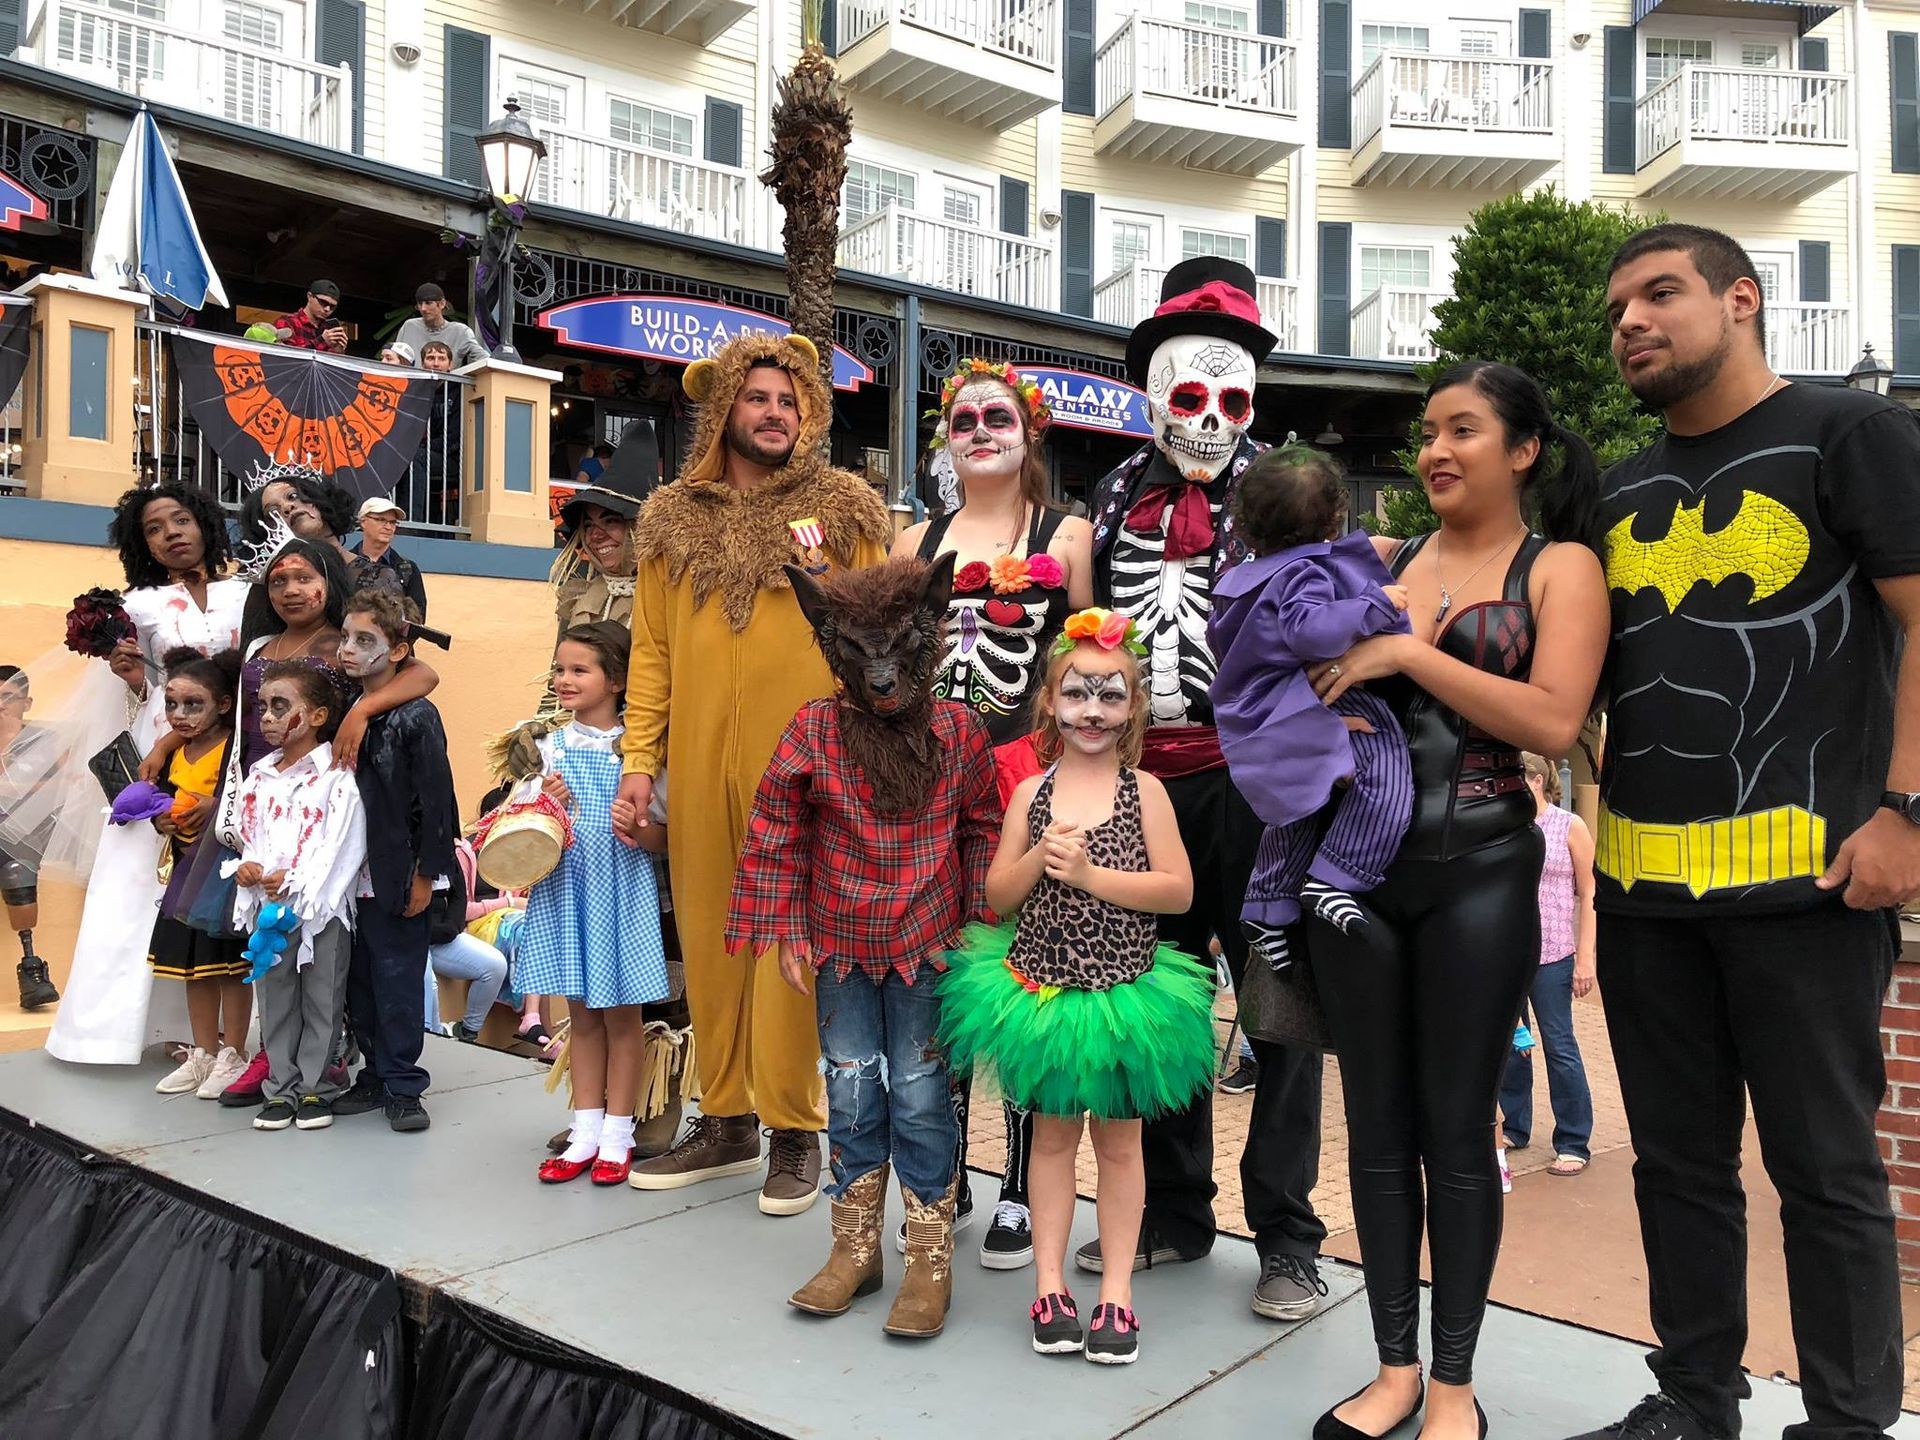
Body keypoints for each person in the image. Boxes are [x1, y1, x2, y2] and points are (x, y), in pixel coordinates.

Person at [1570, 223, 1917, 1440]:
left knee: (1825, 1176)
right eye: (1619, 308)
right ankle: (1695, 1401)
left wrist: (1906, 812)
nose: (1631, 323)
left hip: (1810, 883)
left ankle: (1848, 1423)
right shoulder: (1616, 487)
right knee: (1675, 1170)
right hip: (1646, 891)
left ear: (1743, 299)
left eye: (1660, 295)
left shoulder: (1847, 433)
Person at [1302, 360, 1608, 1440]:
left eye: (1462, 430)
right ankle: (1393, 1369)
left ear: (1522, 450)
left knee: (1454, 1131)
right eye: (1428, 432)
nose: (1434, 449)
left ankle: (1458, 1390)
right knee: (1377, 1132)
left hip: (1484, 870)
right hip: (1362, 879)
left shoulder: (1559, 567)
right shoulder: (1387, 560)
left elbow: (1553, 724)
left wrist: (1403, 654)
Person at [1085, 257, 1327, 1323]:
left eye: (1234, 398)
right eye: (1190, 396)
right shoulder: (1107, 499)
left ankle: (1287, 1237)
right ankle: (1176, 1214)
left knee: (1278, 1010)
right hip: (1143, 788)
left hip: (1258, 789)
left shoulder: (1289, 494)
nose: (1213, 419)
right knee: (1162, 1009)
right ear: (1151, 393)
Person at [615, 332, 891, 1215]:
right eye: (758, 398)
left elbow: (879, 630)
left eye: (790, 400)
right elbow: (652, 655)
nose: (776, 414)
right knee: (709, 934)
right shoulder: (667, 519)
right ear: (724, 406)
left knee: (791, 947)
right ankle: (727, 1120)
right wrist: (638, 765)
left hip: (811, 763)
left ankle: (795, 1131)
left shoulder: (844, 510)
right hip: (697, 768)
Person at [728, 555, 1000, 1338]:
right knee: (849, 1090)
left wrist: (977, 924)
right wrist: (782, 921)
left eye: (898, 651)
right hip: (840, 945)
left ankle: (926, 1257)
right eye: (861, 653)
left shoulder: (958, 731)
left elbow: (983, 828)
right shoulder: (814, 728)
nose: (881, 676)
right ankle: (854, 1248)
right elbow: (777, 827)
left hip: (929, 945)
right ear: (834, 647)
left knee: (920, 1095)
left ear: (930, 640)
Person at [943, 610, 1212, 1366]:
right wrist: (1040, 862)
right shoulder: (1032, 791)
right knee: (1052, 1142)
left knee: (1122, 1147)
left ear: (1131, 708)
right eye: (1077, 694)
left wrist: (1093, 875)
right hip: (1047, 995)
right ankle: (1051, 1283)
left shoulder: (1147, 792)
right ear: (1051, 702)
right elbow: (998, 895)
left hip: (1125, 998)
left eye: (1111, 695)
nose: (1092, 710)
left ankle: (1118, 1292)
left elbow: (1180, 892)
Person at [891, 358, 1094, 1269]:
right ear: (947, 435)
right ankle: (946, 1179)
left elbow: (1093, 662)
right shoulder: (911, 543)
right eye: (965, 417)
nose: (981, 429)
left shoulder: (1071, 535)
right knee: (948, 976)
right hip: (935, 784)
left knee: (1024, 978)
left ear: (1030, 430)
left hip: (1028, 779)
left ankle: (1019, 1184)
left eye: (997, 415)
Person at [47, 483, 249, 1067]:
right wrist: (134, 679)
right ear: (144, 546)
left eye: (180, 520)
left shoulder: (250, 594)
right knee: (140, 886)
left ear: (206, 523)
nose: (171, 534)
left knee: (225, 886)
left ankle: (228, 1039)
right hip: (164, 755)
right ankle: (113, 1031)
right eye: (154, 529)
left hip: (237, 757)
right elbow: (139, 698)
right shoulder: (139, 606)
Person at [1209, 444, 1414, 970]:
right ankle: (1337, 876)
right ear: (1332, 518)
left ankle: (1267, 905)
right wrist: (1373, 605)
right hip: (1297, 704)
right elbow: (1311, 631)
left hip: (1255, 711)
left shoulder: (1240, 578)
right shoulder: (1306, 574)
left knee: (1299, 805)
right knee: (1383, 761)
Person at [523, 622, 670, 1185]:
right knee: (580, 1018)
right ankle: (584, 1132)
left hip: (622, 894)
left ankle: (618, 1134)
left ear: (618, 679)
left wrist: (637, 828)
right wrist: (548, 806)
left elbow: (665, 837)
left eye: (579, 669)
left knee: (622, 1018)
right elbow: (529, 830)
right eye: (560, 669)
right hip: (568, 888)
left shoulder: (638, 750)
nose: (564, 679)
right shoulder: (548, 745)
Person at [329, 591, 457, 1135]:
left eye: (365, 641)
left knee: (398, 978)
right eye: (346, 638)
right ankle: (375, 1074)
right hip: (345, 874)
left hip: (398, 870)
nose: (349, 650)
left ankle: (405, 1083)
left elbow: (436, 800)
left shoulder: (416, 717)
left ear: (398, 648)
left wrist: (426, 874)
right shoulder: (342, 707)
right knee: (358, 979)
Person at [229, 662, 365, 1132]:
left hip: (318, 913)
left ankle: (317, 1086)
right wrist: (248, 867)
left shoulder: (337, 779)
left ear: (319, 715)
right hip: (269, 914)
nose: (267, 717)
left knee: (321, 999)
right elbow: (252, 838)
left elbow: (343, 847)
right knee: (276, 996)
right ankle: (279, 1087)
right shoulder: (259, 776)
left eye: (280, 707)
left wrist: (301, 882)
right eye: (262, 707)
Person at [145, 646, 251, 1098]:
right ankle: (204, 1053)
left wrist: (215, 809)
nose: (180, 715)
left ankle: (235, 1052)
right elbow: (162, 801)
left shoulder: (236, 748)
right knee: (195, 966)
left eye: (194, 704)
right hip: (188, 870)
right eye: (172, 704)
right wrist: (160, 819)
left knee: (230, 965)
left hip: (223, 873)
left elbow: (248, 799)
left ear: (224, 705)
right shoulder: (175, 752)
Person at [1497, 754, 1595, 1179]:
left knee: (1559, 1044)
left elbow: (1590, 893)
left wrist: (1585, 956)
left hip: (1554, 952)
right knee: (1512, 1047)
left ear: (1536, 781)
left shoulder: (1569, 825)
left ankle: (1573, 1139)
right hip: (1505, 952)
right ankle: (1515, 1128)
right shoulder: (1504, 824)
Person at [0, 667, 60, 1009]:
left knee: (17, 869)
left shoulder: (42, 739)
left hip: (20, 835)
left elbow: (62, 783)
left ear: (27, 702)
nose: (0, 705)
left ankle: (31, 967)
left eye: (8, 697)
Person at [424, 835, 510, 1042]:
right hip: (412, 938)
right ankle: (431, 1038)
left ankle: (468, 1031)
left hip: (442, 935)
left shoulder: (448, 849)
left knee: (495, 965)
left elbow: (459, 896)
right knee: (428, 983)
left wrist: (451, 927)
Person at [348, 496, 428, 619]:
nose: (388, 527)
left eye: (393, 522)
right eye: (381, 520)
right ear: (363, 522)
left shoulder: (407, 569)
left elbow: (417, 617)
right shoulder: (342, 562)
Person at [413, 341, 464, 526]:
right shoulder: (417, 391)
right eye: (431, 358)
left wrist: (423, 446)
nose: (436, 363)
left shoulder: (459, 390)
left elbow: (454, 438)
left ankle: (412, 524)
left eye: (441, 358)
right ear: (423, 363)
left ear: (450, 365)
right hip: (425, 454)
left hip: (451, 459)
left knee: (415, 458)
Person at [395, 282, 485, 370]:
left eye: (428, 303)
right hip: (410, 383)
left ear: (442, 304)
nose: (423, 308)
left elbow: (484, 359)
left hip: (446, 384)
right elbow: (393, 358)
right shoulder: (409, 326)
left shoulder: (461, 331)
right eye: (420, 304)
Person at [275, 280, 348, 354]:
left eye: (332, 306)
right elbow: (287, 357)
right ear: (309, 296)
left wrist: (338, 352)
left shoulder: (329, 330)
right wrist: (322, 341)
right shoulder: (288, 322)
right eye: (323, 302)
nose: (327, 309)